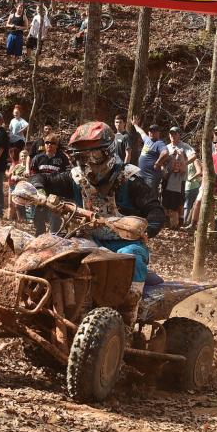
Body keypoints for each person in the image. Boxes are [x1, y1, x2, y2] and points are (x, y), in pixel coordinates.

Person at [28, 121, 164, 321]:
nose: (88, 162)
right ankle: (47, 307)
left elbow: (155, 210)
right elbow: (42, 178)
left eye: (94, 154)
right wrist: (39, 192)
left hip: (125, 243)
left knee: (130, 258)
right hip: (87, 238)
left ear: (108, 152)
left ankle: (127, 317)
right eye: (81, 156)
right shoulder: (76, 178)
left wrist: (147, 229)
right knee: (54, 254)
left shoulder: (129, 179)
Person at [28, 132, 69, 235]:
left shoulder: (63, 158)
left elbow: (67, 175)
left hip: (56, 193)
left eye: (52, 143)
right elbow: (33, 175)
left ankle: (54, 238)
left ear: (57, 145)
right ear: (44, 144)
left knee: (55, 219)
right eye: (47, 142)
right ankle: (39, 238)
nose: (49, 145)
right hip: (41, 193)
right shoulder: (37, 158)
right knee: (38, 218)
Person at [162, 127, 194, 229]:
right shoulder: (166, 147)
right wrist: (163, 168)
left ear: (179, 134)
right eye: (171, 133)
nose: (172, 135)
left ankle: (179, 223)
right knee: (165, 200)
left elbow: (193, 156)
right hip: (167, 177)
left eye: (175, 133)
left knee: (179, 201)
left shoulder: (184, 146)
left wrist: (184, 163)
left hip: (180, 178)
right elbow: (162, 160)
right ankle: (166, 222)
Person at [133, 122, 168, 195]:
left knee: (151, 197)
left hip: (150, 177)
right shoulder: (147, 140)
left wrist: (158, 163)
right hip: (141, 175)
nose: (151, 133)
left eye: (154, 131)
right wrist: (135, 124)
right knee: (141, 196)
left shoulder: (159, 143)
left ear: (158, 133)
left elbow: (165, 153)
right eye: (150, 131)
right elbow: (141, 132)